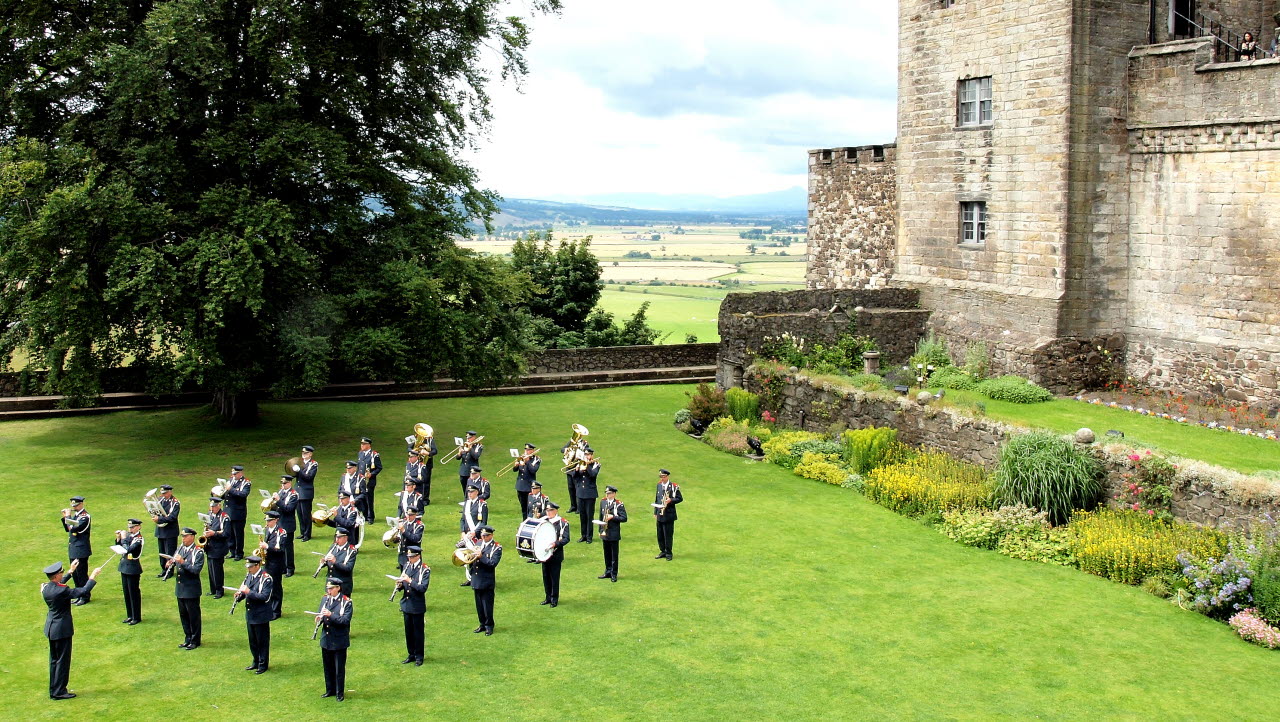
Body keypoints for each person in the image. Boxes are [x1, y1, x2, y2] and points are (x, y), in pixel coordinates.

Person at [42, 560, 102, 700]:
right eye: (61, 573)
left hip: (51, 628)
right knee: (62, 661)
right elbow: (82, 591)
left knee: (54, 661)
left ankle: (54, 689)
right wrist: (92, 576)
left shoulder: (46, 588)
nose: (62, 574)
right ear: (56, 576)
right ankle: (60, 691)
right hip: (62, 629)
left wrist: (70, 571)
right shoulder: (61, 590)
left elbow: (59, 584)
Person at [316, 577, 352, 701]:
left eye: (331, 588)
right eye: (328, 588)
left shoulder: (346, 602)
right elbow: (321, 614)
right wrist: (319, 618)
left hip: (339, 639)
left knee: (339, 669)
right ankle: (329, 689)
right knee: (328, 667)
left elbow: (345, 621)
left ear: (338, 588)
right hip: (326, 637)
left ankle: (339, 692)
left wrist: (331, 615)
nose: (329, 590)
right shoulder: (325, 599)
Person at [237, 554, 273, 674]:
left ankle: (263, 664)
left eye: (251, 566)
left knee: (262, 641)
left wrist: (248, 592)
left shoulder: (266, 578)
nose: (248, 568)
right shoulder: (249, 576)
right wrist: (240, 595)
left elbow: (264, 596)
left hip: (261, 614)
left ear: (258, 565)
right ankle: (256, 660)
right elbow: (245, 590)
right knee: (252, 640)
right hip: (251, 613)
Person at [172, 527, 206, 650]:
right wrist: (171, 563)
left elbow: (196, 570)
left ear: (192, 537)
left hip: (191, 589)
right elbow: (176, 562)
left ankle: (195, 640)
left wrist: (182, 562)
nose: (183, 538)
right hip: (181, 587)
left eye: (185, 536)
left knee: (193, 616)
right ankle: (187, 637)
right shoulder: (180, 548)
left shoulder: (198, 552)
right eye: (182, 536)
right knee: (184, 615)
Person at [396, 545, 431, 666]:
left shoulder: (424, 570)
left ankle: (419, 656)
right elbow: (405, 586)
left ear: (418, 556)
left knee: (418, 632)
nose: (409, 559)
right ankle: (411, 654)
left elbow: (422, 588)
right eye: (409, 557)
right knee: (408, 631)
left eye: (411, 557)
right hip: (407, 603)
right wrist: (400, 585)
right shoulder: (407, 566)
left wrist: (409, 581)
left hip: (417, 605)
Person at [470, 526, 502, 635]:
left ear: (491, 535)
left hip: (486, 580)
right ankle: (482, 624)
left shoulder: (496, 547)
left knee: (487, 605)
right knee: (479, 605)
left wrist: (481, 556)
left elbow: (492, 563)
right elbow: (472, 559)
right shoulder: (478, 544)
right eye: (483, 535)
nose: (484, 537)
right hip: (476, 578)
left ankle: (489, 625)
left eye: (486, 535)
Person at [61, 496, 92, 603]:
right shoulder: (76, 516)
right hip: (74, 548)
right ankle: (79, 595)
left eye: (76, 505)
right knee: (75, 574)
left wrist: (68, 516)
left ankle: (85, 596)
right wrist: (66, 517)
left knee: (82, 574)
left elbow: (75, 528)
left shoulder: (85, 517)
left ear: (81, 504)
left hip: (81, 549)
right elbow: (68, 529)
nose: (74, 507)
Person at [539, 502, 571, 607]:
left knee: (554, 578)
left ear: (556, 511)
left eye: (550, 510)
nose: (548, 512)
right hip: (544, 554)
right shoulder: (544, 521)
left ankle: (554, 599)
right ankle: (548, 597)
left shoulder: (562, 523)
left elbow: (566, 538)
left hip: (556, 554)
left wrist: (555, 544)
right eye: (547, 511)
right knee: (546, 576)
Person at [116, 519, 144, 624]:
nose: (130, 529)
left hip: (133, 568)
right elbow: (120, 547)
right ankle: (130, 615)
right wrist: (119, 538)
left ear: (138, 527)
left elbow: (128, 549)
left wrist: (123, 539)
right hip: (124, 566)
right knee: (126, 592)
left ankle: (136, 616)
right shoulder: (129, 537)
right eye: (129, 527)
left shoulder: (139, 539)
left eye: (132, 527)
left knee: (133, 593)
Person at [597, 485, 628, 582]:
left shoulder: (618, 504)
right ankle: (607, 571)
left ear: (614, 494)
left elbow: (624, 518)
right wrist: (600, 530)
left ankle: (614, 573)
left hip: (614, 533)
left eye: (609, 493)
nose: (607, 495)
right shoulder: (603, 502)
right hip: (605, 532)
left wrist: (613, 517)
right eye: (606, 493)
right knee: (607, 554)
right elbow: (601, 517)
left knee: (614, 555)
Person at [654, 469, 684, 560]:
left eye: (663, 477)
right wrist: (655, 512)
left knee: (668, 535)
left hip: (669, 514)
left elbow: (680, 498)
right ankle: (662, 551)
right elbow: (657, 499)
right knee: (660, 534)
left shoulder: (673, 487)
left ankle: (669, 553)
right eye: (661, 477)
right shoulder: (659, 485)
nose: (662, 478)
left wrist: (671, 500)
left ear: (667, 476)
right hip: (660, 513)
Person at [262, 511, 287, 618]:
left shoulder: (282, 532)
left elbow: (281, 550)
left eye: (269, 521)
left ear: (275, 520)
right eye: (267, 521)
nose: (267, 523)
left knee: (276, 587)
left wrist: (267, 547)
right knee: (268, 585)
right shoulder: (268, 530)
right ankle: (270, 608)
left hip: (276, 564)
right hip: (268, 562)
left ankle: (276, 611)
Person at [204, 496, 230, 599]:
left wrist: (213, 533)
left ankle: (219, 590)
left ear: (219, 506)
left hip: (218, 547)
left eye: (214, 507)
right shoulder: (209, 514)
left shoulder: (225, 517)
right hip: (210, 546)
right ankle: (213, 589)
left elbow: (226, 534)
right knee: (210, 569)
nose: (212, 508)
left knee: (217, 570)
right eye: (211, 506)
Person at [152, 484, 181, 576]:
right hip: (161, 530)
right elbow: (155, 511)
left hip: (170, 531)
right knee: (162, 551)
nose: (163, 495)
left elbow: (172, 517)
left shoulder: (175, 502)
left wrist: (159, 519)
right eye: (162, 493)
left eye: (165, 493)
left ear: (170, 492)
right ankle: (163, 570)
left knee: (170, 552)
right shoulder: (160, 500)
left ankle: (170, 571)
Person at [573, 449, 601, 543]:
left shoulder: (596, 464)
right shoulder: (580, 463)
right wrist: (576, 470)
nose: (587, 456)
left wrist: (587, 465)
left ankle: (589, 536)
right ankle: (583, 535)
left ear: (592, 455)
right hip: (580, 493)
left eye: (588, 455)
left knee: (589, 516)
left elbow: (593, 475)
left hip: (590, 494)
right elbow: (575, 478)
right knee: (582, 515)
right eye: (585, 455)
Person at [274, 476, 299, 576]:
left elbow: (288, 509)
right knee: (280, 547)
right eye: (282, 483)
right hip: (279, 523)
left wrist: (278, 500)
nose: (283, 485)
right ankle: (283, 567)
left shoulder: (294, 495)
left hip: (288, 524)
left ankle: (290, 568)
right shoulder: (281, 492)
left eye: (285, 483)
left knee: (288, 548)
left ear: (289, 483)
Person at [224, 466, 251, 560]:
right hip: (228, 511)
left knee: (238, 534)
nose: (233, 475)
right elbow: (226, 494)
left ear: (240, 473)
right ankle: (232, 551)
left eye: (235, 474)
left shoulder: (246, 483)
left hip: (238, 512)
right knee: (230, 532)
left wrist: (230, 489)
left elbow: (243, 494)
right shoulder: (230, 480)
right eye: (233, 474)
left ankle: (239, 553)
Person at [323, 527, 358, 597]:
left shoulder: (351, 551)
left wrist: (335, 562)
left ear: (345, 538)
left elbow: (348, 568)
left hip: (343, 586)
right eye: (336, 537)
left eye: (339, 538)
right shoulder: (333, 547)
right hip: (330, 584)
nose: (337, 539)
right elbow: (329, 562)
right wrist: (324, 562)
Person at [295, 445, 318, 541]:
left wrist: (299, 471)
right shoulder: (300, 463)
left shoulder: (313, 464)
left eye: (306, 453)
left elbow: (308, 477)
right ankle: (302, 532)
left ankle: (307, 534)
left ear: (310, 454)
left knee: (306, 514)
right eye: (303, 453)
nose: (304, 455)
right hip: (298, 490)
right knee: (299, 513)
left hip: (306, 491)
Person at [561, 435, 588, 513]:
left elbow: (586, 453)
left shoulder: (584, 443)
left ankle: (579, 507)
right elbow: (562, 449)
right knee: (571, 488)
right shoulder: (571, 442)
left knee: (577, 488)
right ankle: (573, 506)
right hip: (569, 468)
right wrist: (566, 450)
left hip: (577, 469)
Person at [357, 436, 382, 520]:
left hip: (369, 480)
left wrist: (372, 474)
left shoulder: (374, 455)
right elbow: (359, 466)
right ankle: (365, 515)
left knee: (369, 499)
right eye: (361, 444)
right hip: (361, 480)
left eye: (364, 444)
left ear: (369, 445)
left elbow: (379, 467)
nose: (362, 445)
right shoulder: (360, 453)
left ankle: (370, 516)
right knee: (362, 498)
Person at [513, 443, 541, 519]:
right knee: (523, 507)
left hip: (529, 486)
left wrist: (527, 461)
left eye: (529, 450)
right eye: (526, 449)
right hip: (520, 485)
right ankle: (524, 520)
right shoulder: (521, 457)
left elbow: (533, 470)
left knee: (530, 507)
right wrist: (516, 465)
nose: (527, 451)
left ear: (532, 450)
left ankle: (530, 520)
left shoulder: (536, 459)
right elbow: (515, 470)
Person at [456, 430, 483, 497]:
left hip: (472, 470)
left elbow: (476, 457)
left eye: (469, 437)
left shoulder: (478, 446)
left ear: (474, 437)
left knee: (471, 487)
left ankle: (472, 499)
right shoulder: (464, 445)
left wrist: (470, 449)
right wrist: (459, 454)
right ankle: (466, 499)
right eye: (467, 438)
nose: (468, 439)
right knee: (464, 485)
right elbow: (458, 458)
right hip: (463, 470)